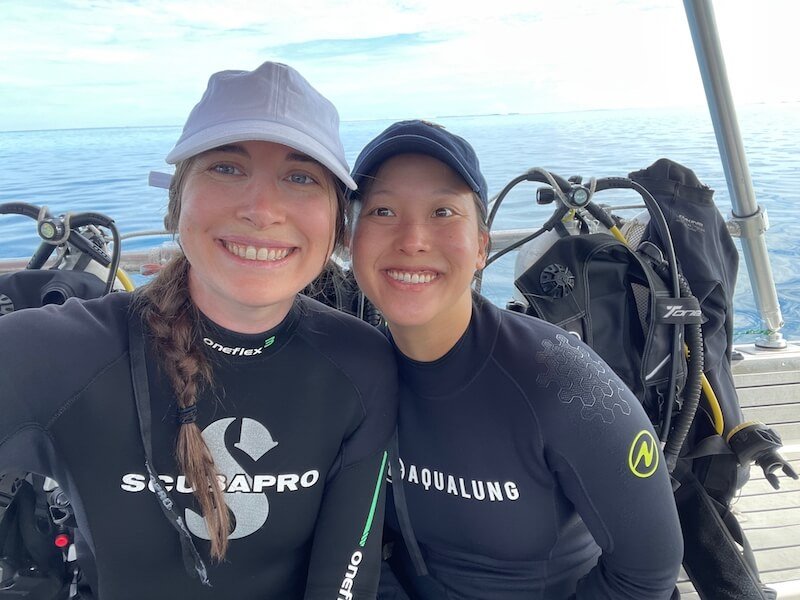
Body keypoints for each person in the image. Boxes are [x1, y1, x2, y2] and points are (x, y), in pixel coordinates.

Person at [0, 62, 397, 600]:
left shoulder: (359, 365)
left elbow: (346, 580)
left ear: (337, 227)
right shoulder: (57, 353)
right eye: (227, 168)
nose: (262, 209)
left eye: (301, 177)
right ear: (176, 203)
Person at [348, 119, 684, 599]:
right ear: (348, 240)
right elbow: (352, 548)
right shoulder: (351, 376)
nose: (412, 239)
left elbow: (648, 572)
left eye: (443, 211)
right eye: (383, 211)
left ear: (482, 246)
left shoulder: (562, 382)